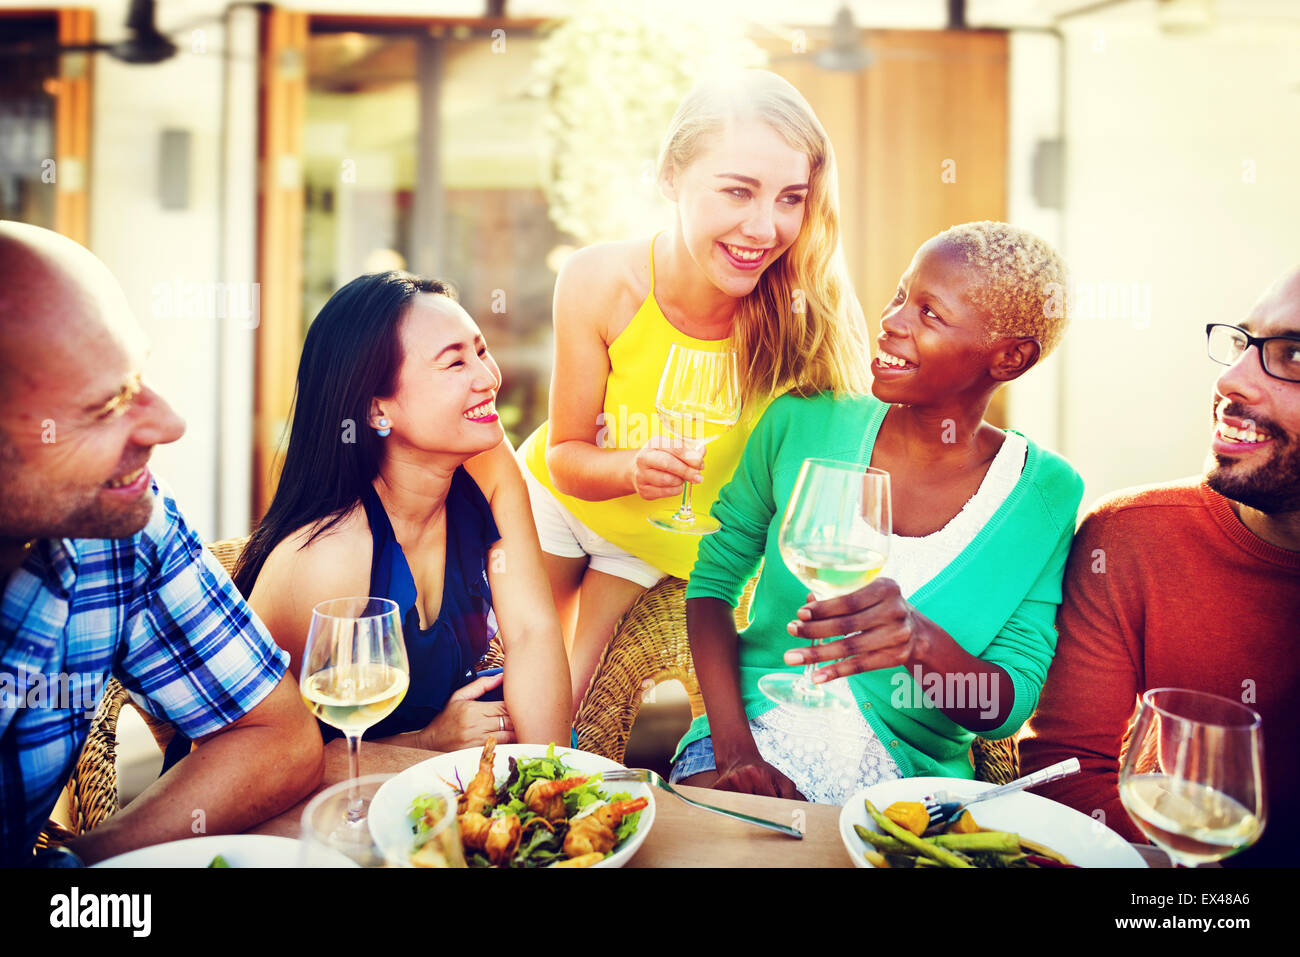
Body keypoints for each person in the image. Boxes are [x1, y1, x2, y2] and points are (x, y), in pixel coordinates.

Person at [675, 222, 1084, 804]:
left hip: (909, 787)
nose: (892, 321)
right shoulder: (803, 420)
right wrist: (735, 751)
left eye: (930, 314)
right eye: (899, 296)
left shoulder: (1045, 494)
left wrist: (919, 642)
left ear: (1009, 358)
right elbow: (712, 582)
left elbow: (1004, 707)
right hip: (747, 740)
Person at [520, 70, 873, 715]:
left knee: (563, 712)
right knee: (509, 688)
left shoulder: (810, 315)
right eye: (738, 192)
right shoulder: (600, 281)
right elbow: (565, 453)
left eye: (791, 198)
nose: (764, 227)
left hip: (663, 547)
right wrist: (632, 465)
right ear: (671, 178)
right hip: (562, 504)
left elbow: (836, 478)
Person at [0, 221, 323, 866]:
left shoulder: (123, 524)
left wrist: (83, 868)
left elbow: (275, 738)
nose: (169, 423)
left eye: (138, 375)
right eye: (106, 405)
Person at [1020, 267, 1300, 866]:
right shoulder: (1133, 536)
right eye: (1244, 344)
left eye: (1293, 356)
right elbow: (1063, 770)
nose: (1231, 380)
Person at [237, 272, 571, 752]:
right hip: (311, 806)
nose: (487, 377)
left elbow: (530, 632)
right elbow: (266, 755)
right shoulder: (331, 556)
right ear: (377, 411)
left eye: (481, 350)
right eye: (455, 363)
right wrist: (425, 743)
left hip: (420, 789)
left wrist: (548, 784)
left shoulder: (487, 464)